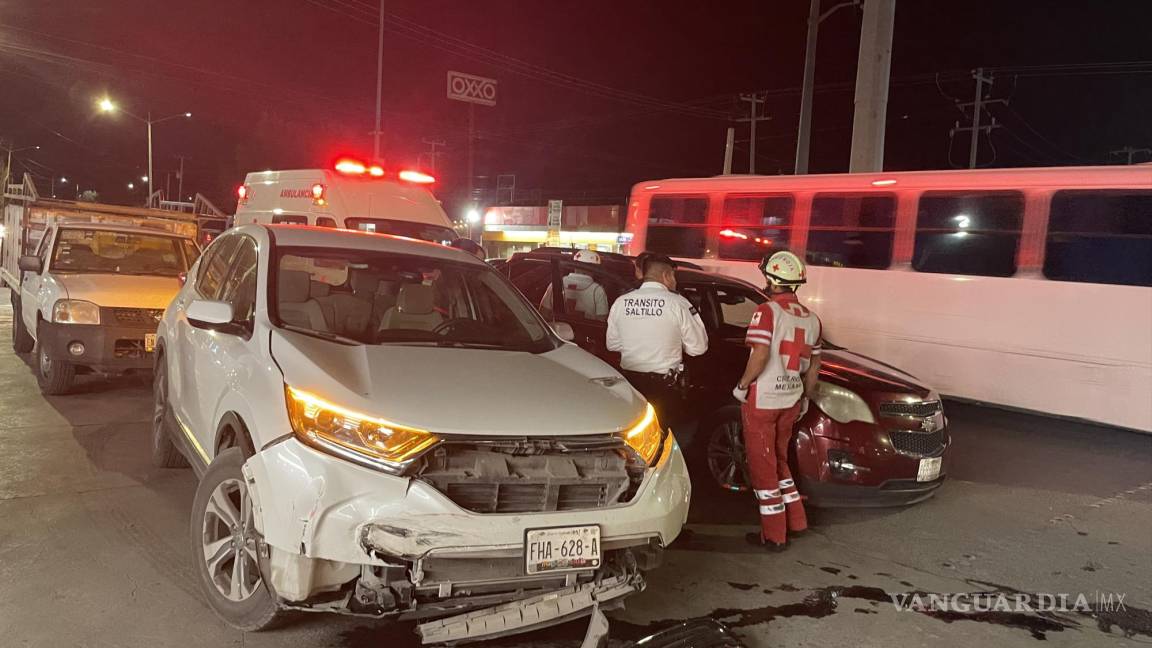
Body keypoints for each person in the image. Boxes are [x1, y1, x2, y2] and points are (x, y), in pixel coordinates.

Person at [732, 250, 822, 551]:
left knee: (762, 464)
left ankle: (774, 535)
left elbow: (760, 355)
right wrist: (806, 397)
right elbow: (814, 368)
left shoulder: (767, 311)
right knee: (780, 459)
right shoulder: (812, 319)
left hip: (764, 398)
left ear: (771, 279)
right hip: (792, 399)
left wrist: (743, 385)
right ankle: (797, 521)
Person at [607, 253, 708, 427]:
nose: (675, 281)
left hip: (630, 385)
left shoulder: (621, 302)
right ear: (666, 276)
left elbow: (612, 345)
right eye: (673, 276)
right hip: (665, 388)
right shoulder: (678, 303)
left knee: (634, 432)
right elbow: (698, 348)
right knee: (663, 434)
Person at [540, 249, 610, 321]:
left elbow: (543, 313)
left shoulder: (556, 284)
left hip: (557, 331)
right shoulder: (597, 290)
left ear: (575, 266)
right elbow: (602, 321)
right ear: (594, 269)